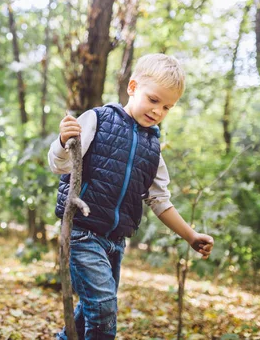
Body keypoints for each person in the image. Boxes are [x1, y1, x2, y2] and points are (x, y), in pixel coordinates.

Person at [48, 53, 214, 339]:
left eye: (167, 107)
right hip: (82, 233)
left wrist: (190, 235)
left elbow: (160, 201)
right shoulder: (98, 119)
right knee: (103, 310)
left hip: (115, 242)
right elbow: (60, 165)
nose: (158, 111)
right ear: (133, 87)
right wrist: (64, 142)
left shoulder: (153, 149)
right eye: (153, 100)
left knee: (89, 314)